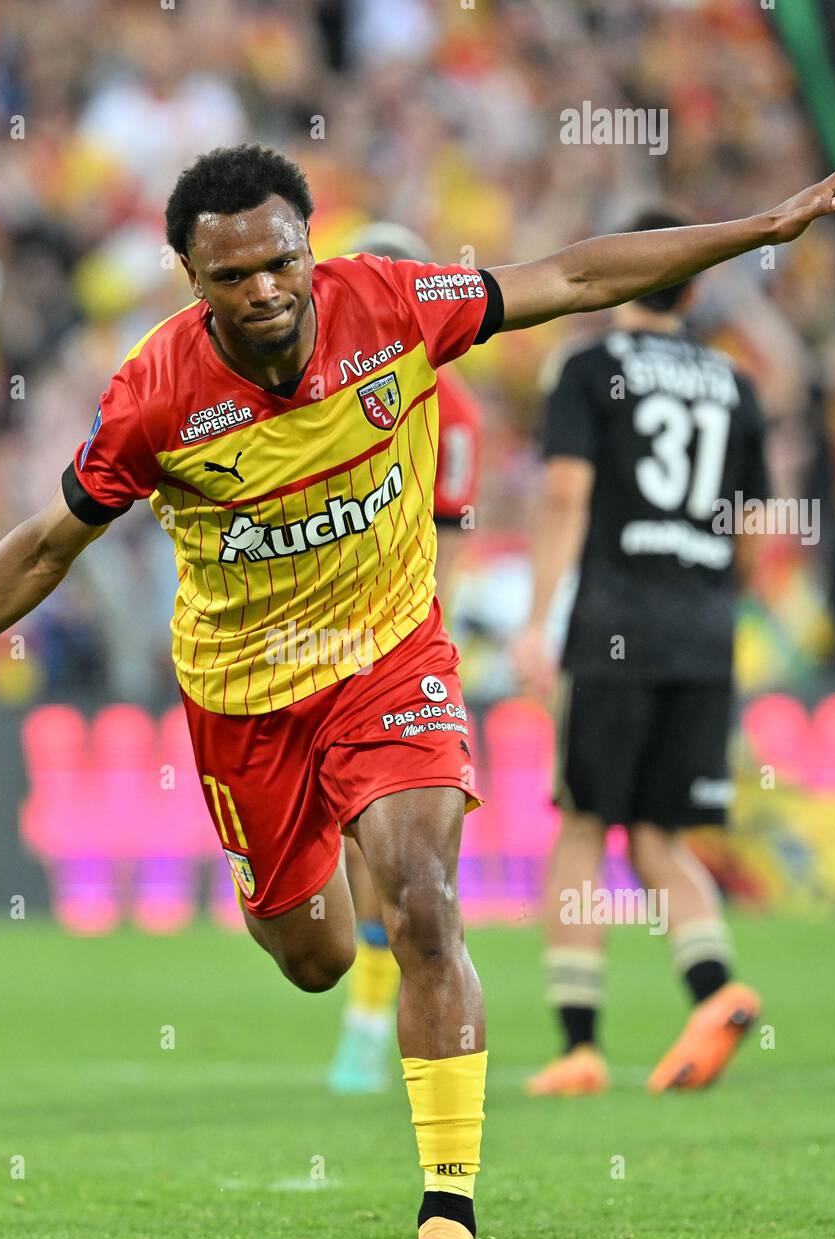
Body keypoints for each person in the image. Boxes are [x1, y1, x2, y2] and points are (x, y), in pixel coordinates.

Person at [0, 146, 835, 1239]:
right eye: (233, 276)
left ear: (309, 248)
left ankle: (447, 1210)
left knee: (421, 898)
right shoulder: (153, 396)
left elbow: (570, 276)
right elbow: (43, 547)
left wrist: (754, 228)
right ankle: (296, 895)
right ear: (188, 276)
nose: (265, 288)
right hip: (244, 697)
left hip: (388, 657)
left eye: (282, 261)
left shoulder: (391, 303)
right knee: (314, 956)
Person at [515, 209, 770, 1097]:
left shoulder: (587, 370)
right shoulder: (736, 383)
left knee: (584, 824)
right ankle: (717, 987)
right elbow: (750, 529)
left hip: (615, 626)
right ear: (694, 285)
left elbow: (564, 494)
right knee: (662, 832)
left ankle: (581, 1047)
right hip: (704, 629)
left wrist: (539, 619)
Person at [326, 222, 484, 1096]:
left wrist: (426, 636)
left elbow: (450, 534)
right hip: (307, 648)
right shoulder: (312, 385)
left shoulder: (448, 410)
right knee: (360, 859)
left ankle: (368, 1022)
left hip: (397, 647)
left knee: (409, 865)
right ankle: (363, 1011)